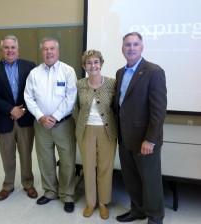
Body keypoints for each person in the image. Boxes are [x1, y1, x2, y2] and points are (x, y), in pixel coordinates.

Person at [115, 32, 167, 224]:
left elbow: (159, 111)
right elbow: (120, 104)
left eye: (135, 44)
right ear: (122, 49)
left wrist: (151, 139)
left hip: (145, 140)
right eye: (127, 45)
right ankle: (138, 210)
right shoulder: (120, 72)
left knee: (150, 181)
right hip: (125, 136)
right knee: (131, 178)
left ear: (142, 48)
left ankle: (155, 217)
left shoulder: (154, 71)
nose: (131, 48)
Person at [24, 37, 77, 213]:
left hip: (63, 124)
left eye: (52, 48)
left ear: (58, 51)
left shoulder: (68, 71)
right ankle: (50, 191)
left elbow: (71, 97)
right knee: (45, 159)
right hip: (41, 125)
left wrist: (54, 117)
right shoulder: (34, 73)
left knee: (68, 161)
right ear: (42, 52)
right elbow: (28, 97)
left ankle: (67, 194)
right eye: (45, 49)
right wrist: (40, 117)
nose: (49, 52)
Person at [0, 35, 38, 201]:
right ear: (2, 50)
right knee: (7, 155)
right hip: (4, 119)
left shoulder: (30, 67)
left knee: (26, 154)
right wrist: (10, 109)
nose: (10, 50)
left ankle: (28, 183)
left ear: (17, 48)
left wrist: (21, 109)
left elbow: (35, 92)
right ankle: (8, 185)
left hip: (25, 117)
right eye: (6, 47)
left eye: (12, 47)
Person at [75, 50, 117, 219]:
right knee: (89, 168)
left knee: (105, 168)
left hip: (107, 131)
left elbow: (116, 107)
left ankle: (103, 203)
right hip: (85, 130)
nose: (93, 66)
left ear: (101, 63)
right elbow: (77, 106)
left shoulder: (112, 83)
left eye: (96, 62)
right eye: (89, 63)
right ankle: (91, 202)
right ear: (84, 66)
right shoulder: (79, 84)